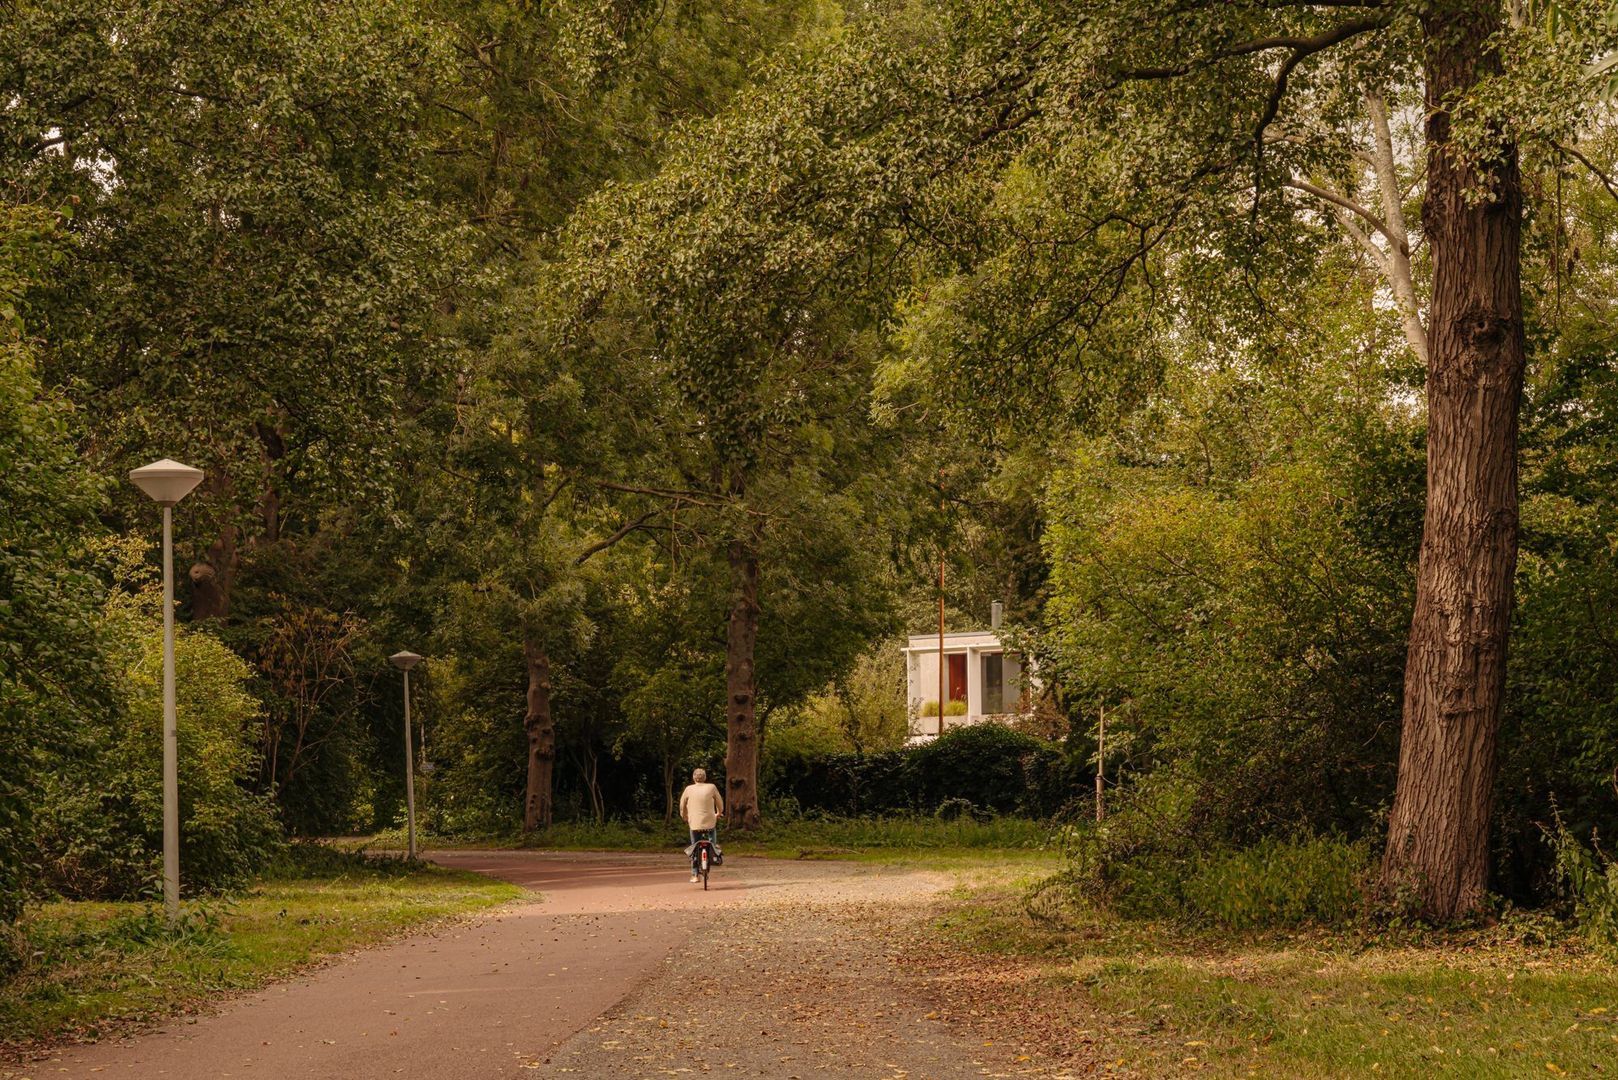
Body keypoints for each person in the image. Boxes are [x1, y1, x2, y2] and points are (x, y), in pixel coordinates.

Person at [678, 768, 724, 882]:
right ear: (705, 778)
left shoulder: (688, 789)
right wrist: (719, 812)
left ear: (694, 778)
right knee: (712, 834)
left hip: (694, 823)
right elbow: (720, 803)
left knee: (694, 846)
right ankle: (714, 849)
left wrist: (684, 816)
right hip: (710, 821)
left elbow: (682, 805)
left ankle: (694, 875)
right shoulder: (712, 787)